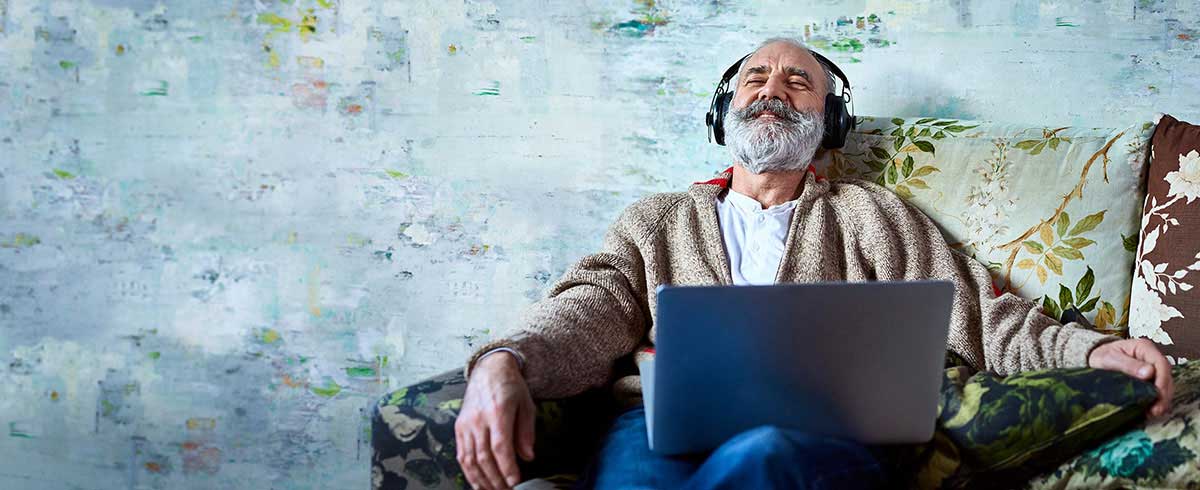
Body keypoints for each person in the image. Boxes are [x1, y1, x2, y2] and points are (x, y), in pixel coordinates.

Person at [452, 37, 1176, 490]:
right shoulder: (654, 222)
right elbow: (585, 306)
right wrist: (504, 360)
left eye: (797, 83)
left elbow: (986, 320)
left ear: (828, 124)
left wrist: (1096, 347)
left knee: (764, 457)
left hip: (821, 441)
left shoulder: (874, 217)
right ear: (723, 116)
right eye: (755, 79)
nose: (771, 90)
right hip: (653, 436)